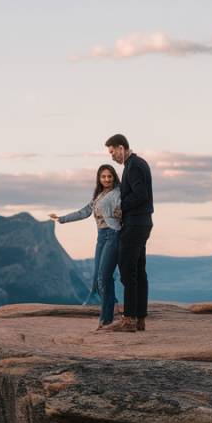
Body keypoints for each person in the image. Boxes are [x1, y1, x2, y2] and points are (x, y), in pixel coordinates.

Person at [49, 164, 123, 329]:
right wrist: (61, 219)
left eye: (109, 176)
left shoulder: (118, 193)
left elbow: (123, 210)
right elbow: (84, 212)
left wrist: (119, 214)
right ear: (99, 178)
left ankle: (105, 320)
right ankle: (111, 313)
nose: (106, 179)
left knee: (104, 278)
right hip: (101, 237)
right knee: (99, 278)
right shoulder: (98, 195)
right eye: (103, 177)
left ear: (114, 177)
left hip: (113, 235)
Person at [103, 133, 153, 333]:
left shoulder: (133, 166)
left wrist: (121, 207)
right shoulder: (138, 164)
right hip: (143, 223)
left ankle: (129, 319)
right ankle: (140, 318)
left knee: (127, 271)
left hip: (134, 224)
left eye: (112, 151)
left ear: (121, 148)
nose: (112, 156)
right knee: (139, 271)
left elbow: (141, 195)